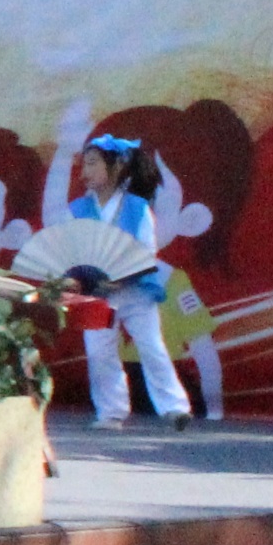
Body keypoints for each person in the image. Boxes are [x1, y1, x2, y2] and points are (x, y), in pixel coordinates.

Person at [63, 133, 193, 429]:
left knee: (151, 346)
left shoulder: (137, 208)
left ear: (117, 166)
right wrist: (75, 278)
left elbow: (146, 252)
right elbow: (72, 251)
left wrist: (121, 279)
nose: (85, 172)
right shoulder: (78, 210)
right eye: (84, 165)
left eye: (92, 163)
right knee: (99, 352)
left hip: (136, 291)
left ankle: (174, 407)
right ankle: (111, 411)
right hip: (97, 293)